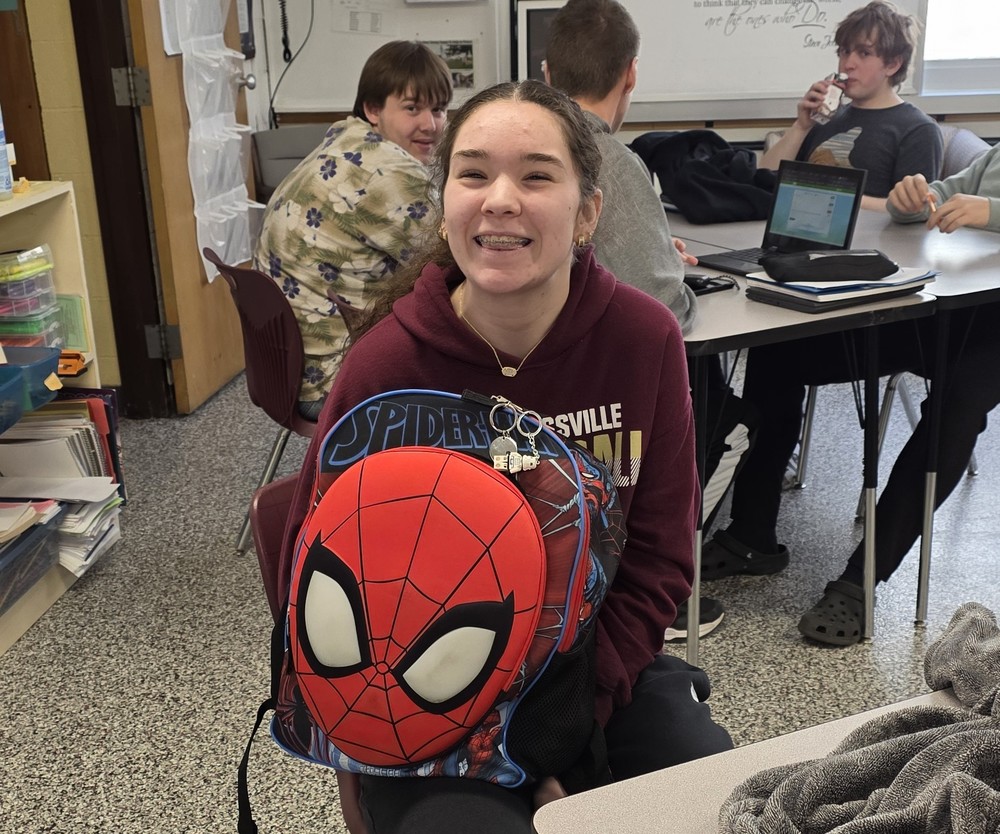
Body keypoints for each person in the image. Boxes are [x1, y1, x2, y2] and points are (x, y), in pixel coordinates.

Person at [277, 79, 733, 832]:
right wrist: (498, 745)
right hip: (429, 691)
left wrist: (571, 732)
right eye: (475, 172)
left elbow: (657, 557)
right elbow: (318, 569)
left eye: (537, 175)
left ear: (588, 212)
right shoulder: (386, 369)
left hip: (603, 665)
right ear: (445, 198)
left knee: (703, 801)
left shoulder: (644, 340)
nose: (499, 199)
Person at [705, 143, 1000, 647]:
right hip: (955, 303)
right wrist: (912, 201)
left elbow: (981, 210)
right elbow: (940, 202)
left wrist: (993, 212)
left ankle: (861, 581)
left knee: (957, 407)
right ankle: (752, 535)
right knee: (782, 351)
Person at [543, 0, 762, 640]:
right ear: (631, 75)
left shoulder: (526, 143)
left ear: (548, 70)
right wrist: (681, 281)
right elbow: (662, 306)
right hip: (605, 396)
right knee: (738, 423)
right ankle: (663, 586)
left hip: (541, 382)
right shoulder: (610, 157)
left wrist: (657, 252)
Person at [255, 41, 452, 419]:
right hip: (337, 378)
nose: (430, 124)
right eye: (412, 108)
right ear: (373, 109)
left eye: (439, 109)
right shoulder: (389, 172)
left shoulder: (344, 140)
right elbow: (455, 266)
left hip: (288, 371)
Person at [760, 1, 942, 209]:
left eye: (864, 53)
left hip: (870, 239)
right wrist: (801, 127)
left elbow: (915, 209)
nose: (848, 64)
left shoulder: (918, 130)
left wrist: (825, 194)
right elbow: (762, 180)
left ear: (892, 64)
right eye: (845, 51)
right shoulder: (827, 118)